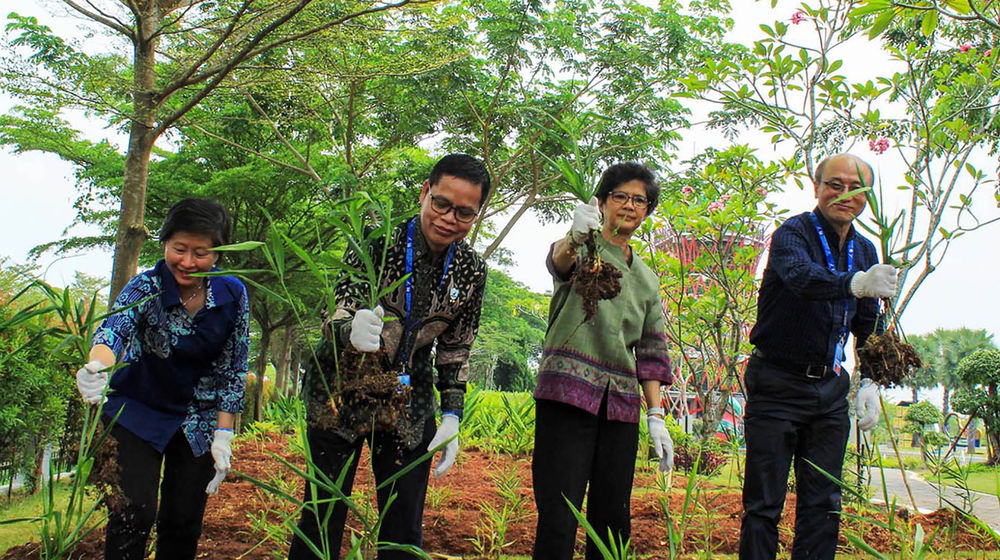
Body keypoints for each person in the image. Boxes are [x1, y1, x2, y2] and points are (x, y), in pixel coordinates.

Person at [288, 153, 490, 560]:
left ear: (477, 214)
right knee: (323, 512)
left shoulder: (471, 270)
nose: (449, 219)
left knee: (403, 521)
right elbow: (337, 308)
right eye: (441, 204)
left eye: (464, 213)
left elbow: (456, 348)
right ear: (425, 192)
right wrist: (351, 327)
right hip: (342, 384)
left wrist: (452, 414)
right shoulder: (377, 243)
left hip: (409, 393)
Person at [739, 153, 897, 560]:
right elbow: (801, 277)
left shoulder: (864, 249)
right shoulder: (793, 233)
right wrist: (856, 283)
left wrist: (871, 379)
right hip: (777, 383)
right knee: (764, 503)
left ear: (868, 197)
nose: (844, 195)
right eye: (834, 185)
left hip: (829, 390)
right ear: (817, 187)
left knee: (824, 503)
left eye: (856, 188)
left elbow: (868, 323)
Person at [74, 198, 249, 560]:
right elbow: (113, 331)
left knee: (183, 521)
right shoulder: (145, 287)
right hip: (138, 411)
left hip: (197, 419)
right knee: (132, 513)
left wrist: (224, 433)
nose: (188, 262)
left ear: (218, 253)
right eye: (179, 249)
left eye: (201, 253)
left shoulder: (232, 294)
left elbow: (234, 366)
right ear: (165, 243)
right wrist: (97, 367)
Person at [532, 162, 674, 560]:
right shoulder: (582, 248)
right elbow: (558, 264)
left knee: (612, 518)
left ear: (647, 211)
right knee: (559, 513)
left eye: (639, 200)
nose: (629, 205)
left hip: (620, 409)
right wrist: (574, 236)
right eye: (620, 196)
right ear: (602, 202)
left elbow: (651, 351)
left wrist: (656, 416)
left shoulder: (647, 279)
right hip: (567, 398)